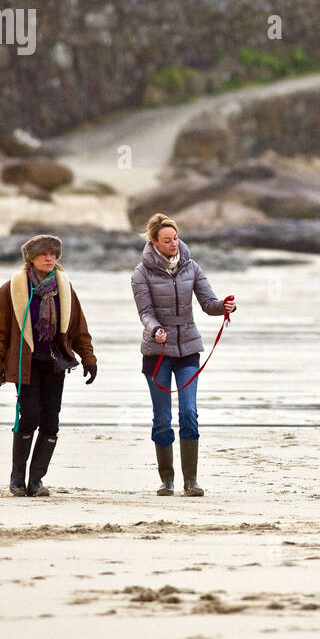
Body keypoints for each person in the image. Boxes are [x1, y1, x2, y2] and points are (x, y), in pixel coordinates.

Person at [131, 213, 237, 497]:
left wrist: (224, 306)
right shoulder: (141, 274)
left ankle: (191, 481)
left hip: (188, 347)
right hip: (157, 351)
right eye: (167, 240)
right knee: (162, 417)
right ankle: (167, 481)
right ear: (154, 242)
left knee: (189, 412)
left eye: (175, 238)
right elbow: (145, 313)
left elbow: (207, 303)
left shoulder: (191, 267)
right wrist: (156, 330)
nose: (173, 243)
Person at [0, 235, 97, 497]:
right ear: (31, 258)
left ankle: (35, 480)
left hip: (55, 364)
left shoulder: (65, 288)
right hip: (25, 364)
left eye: (53, 254)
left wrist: (88, 358)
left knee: (50, 422)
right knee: (30, 417)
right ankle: (17, 478)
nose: (49, 258)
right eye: (43, 254)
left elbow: (79, 328)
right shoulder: (11, 289)